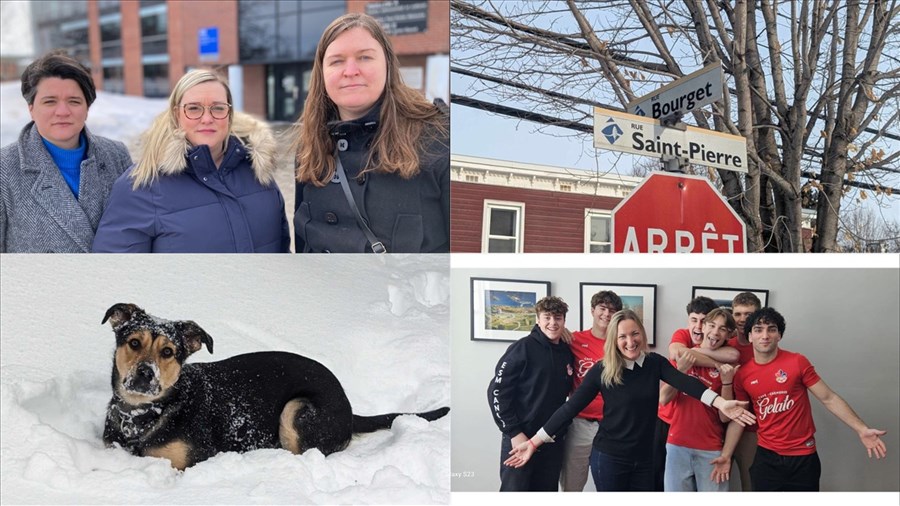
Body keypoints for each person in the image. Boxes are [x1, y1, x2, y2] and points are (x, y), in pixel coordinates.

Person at [504, 310, 756, 492]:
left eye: (635, 334)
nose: (630, 341)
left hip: (645, 459)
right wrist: (534, 442)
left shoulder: (654, 363)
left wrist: (721, 403)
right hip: (610, 458)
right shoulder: (603, 370)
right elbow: (570, 408)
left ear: (642, 334)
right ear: (614, 339)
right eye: (622, 336)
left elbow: (687, 383)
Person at [291, 13, 449, 253]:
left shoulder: (438, 138)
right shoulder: (309, 148)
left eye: (364, 57)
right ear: (321, 74)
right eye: (336, 61)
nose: (351, 70)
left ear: (387, 64)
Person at [92, 69, 290, 253]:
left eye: (218, 108)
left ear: (229, 115)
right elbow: (115, 275)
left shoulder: (258, 173)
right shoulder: (140, 186)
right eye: (194, 109)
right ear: (177, 115)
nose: (206, 118)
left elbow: (281, 259)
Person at [714, 307, 887, 491]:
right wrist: (726, 455)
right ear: (749, 336)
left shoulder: (797, 362)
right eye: (758, 330)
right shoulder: (743, 375)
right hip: (766, 457)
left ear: (779, 335)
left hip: (804, 457)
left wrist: (861, 429)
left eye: (771, 329)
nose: (765, 335)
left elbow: (829, 398)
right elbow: (739, 417)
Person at [1, 50, 131, 252]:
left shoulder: (116, 155)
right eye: (50, 101)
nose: (62, 112)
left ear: (87, 108)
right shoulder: (5, 168)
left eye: (74, 101)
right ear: (31, 108)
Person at [487, 296, 574, 491]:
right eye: (547, 317)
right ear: (538, 319)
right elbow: (497, 392)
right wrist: (514, 432)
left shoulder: (567, 352)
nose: (553, 323)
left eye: (558, 318)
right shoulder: (523, 347)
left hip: (551, 441)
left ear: (564, 321)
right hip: (520, 438)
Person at [653, 296, 738, 490]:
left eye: (722, 329)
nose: (715, 332)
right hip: (677, 444)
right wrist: (680, 372)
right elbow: (663, 399)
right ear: (703, 327)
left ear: (728, 335)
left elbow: (725, 417)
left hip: (711, 448)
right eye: (711, 326)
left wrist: (726, 382)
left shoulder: (729, 365)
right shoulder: (683, 356)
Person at [560, 290, 622, 492]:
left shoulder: (621, 344)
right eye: (602, 309)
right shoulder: (574, 340)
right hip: (580, 423)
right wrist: (559, 330)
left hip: (611, 426)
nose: (606, 314)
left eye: (612, 310)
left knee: (611, 485)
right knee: (572, 486)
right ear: (592, 311)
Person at [726, 291, 763, 490]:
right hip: (719, 426)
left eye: (748, 314)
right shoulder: (724, 344)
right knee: (716, 484)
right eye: (738, 314)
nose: (742, 319)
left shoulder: (763, 347)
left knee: (750, 485)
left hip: (750, 430)